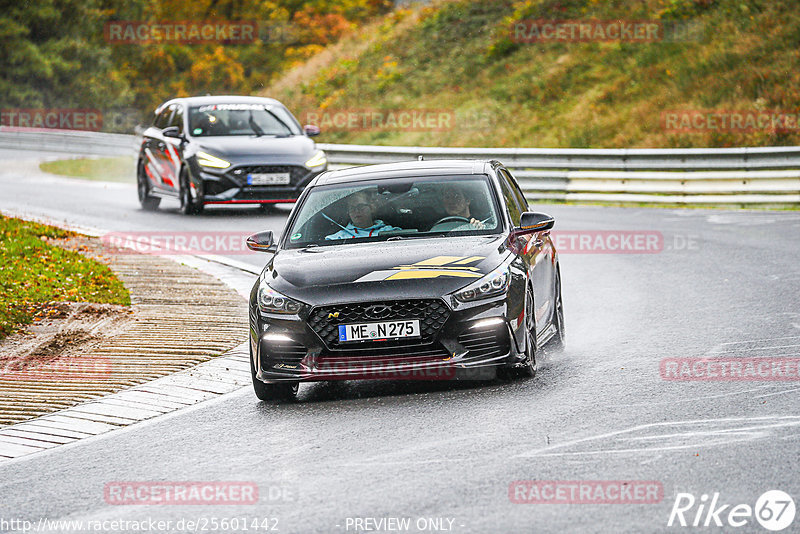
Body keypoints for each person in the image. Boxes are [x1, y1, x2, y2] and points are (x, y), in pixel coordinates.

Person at [325, 191, 402, 240]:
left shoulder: (389, 232)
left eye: (360, 206)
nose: (356, 211)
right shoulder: (338, 238)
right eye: (352, 208)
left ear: (371, 208)